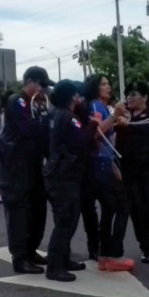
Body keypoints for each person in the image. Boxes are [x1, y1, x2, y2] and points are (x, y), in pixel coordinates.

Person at [0, 66, 52, 274]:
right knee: (19, 213)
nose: (45, 91)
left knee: (38, 210)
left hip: (33, 165)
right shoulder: (17, 101)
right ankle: (20, 258)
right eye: (42, 86)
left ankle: (31, 250)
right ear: (30, 82)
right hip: (16, 167)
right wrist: (48, 123)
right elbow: (30, 129)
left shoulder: (36, 105)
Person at [43, 80, 95, 282]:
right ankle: (55, 266)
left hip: (57, 172)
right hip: (65, 175)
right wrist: (92, 125)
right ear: (73, 97)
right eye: (78, 95)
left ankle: (63, 258)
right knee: (66, 222)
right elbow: (82, 143)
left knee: (63, 219)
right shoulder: (69, 117)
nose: (81, 99)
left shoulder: (54, 113)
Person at [83, 74, 134, 272]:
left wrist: (114, 123)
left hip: (102, 162)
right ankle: (113, 254)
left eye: (108, 83)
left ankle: (105, 254)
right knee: (122, 205)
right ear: (95, 88)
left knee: (110, 207)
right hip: (101, 163)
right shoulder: (96, 107)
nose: (108, 87)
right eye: (103, 84)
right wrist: (114, 117)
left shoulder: (99, 106)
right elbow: (95, 133)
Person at [114, 81, 149, 263]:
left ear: (145, 97)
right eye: (128, 94)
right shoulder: (123, 114)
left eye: (134, 94)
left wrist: (128, 125)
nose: (129, 98)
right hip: (129, 168)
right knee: (137, 208)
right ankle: (145, 246)